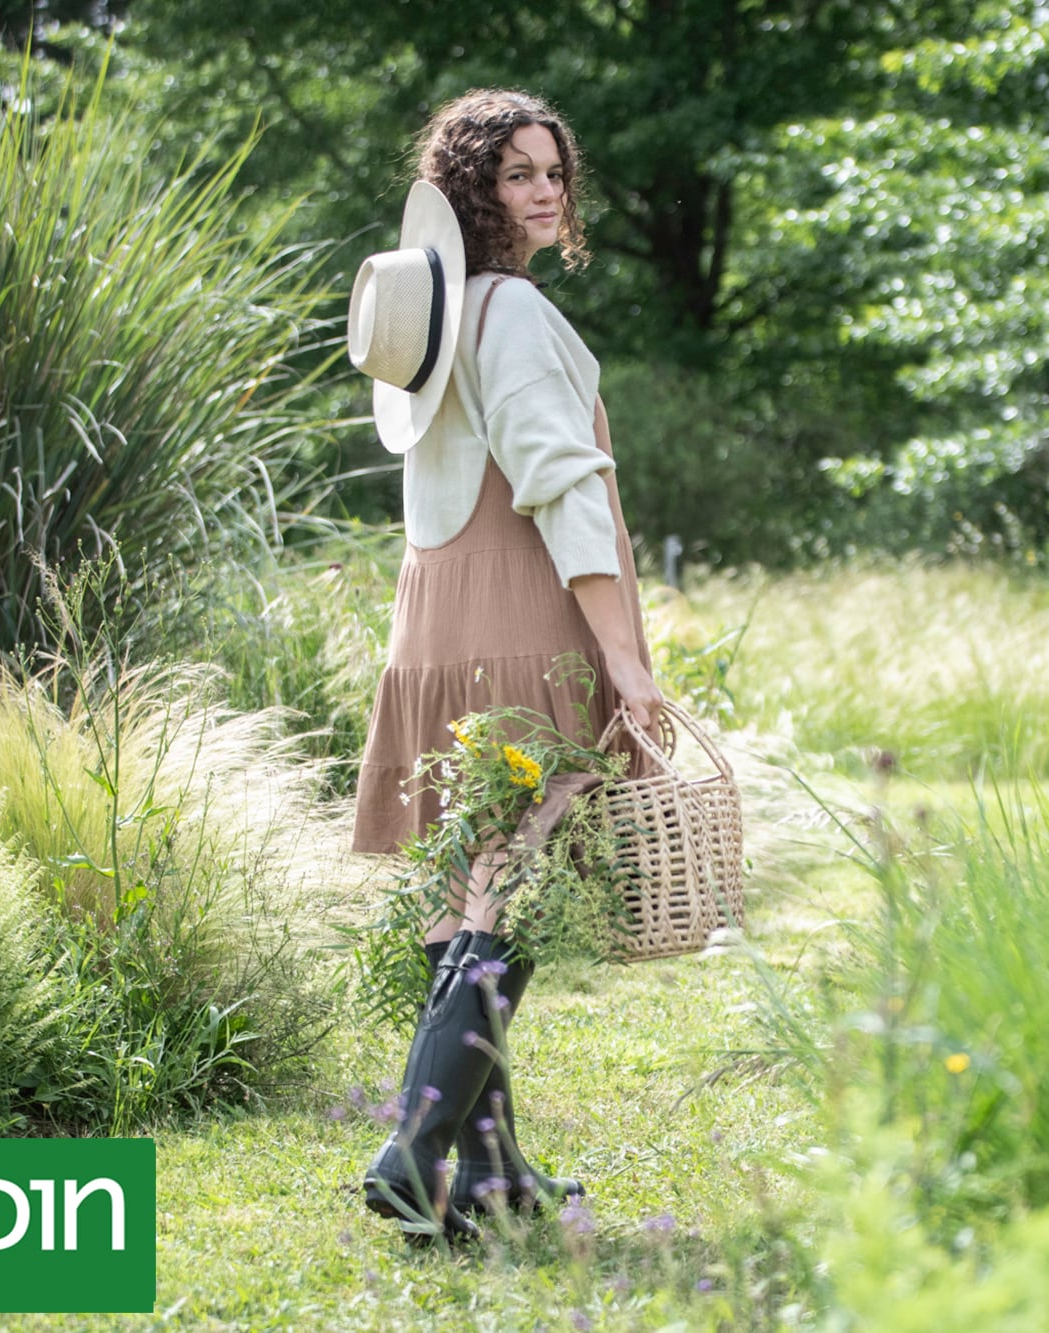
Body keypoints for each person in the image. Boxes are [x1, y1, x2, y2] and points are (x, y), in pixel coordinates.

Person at [344, 89, 664, 1244]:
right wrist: (625, 662)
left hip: (434, 624)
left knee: (464, 891)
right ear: (471, 191)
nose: (542, 191)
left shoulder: (434, 327)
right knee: (518, 879)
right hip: (522, 615)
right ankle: (414, 1148)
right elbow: (560, 488)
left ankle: (485, 1175)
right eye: (516, 173)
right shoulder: (515, 315)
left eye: (551, 172)